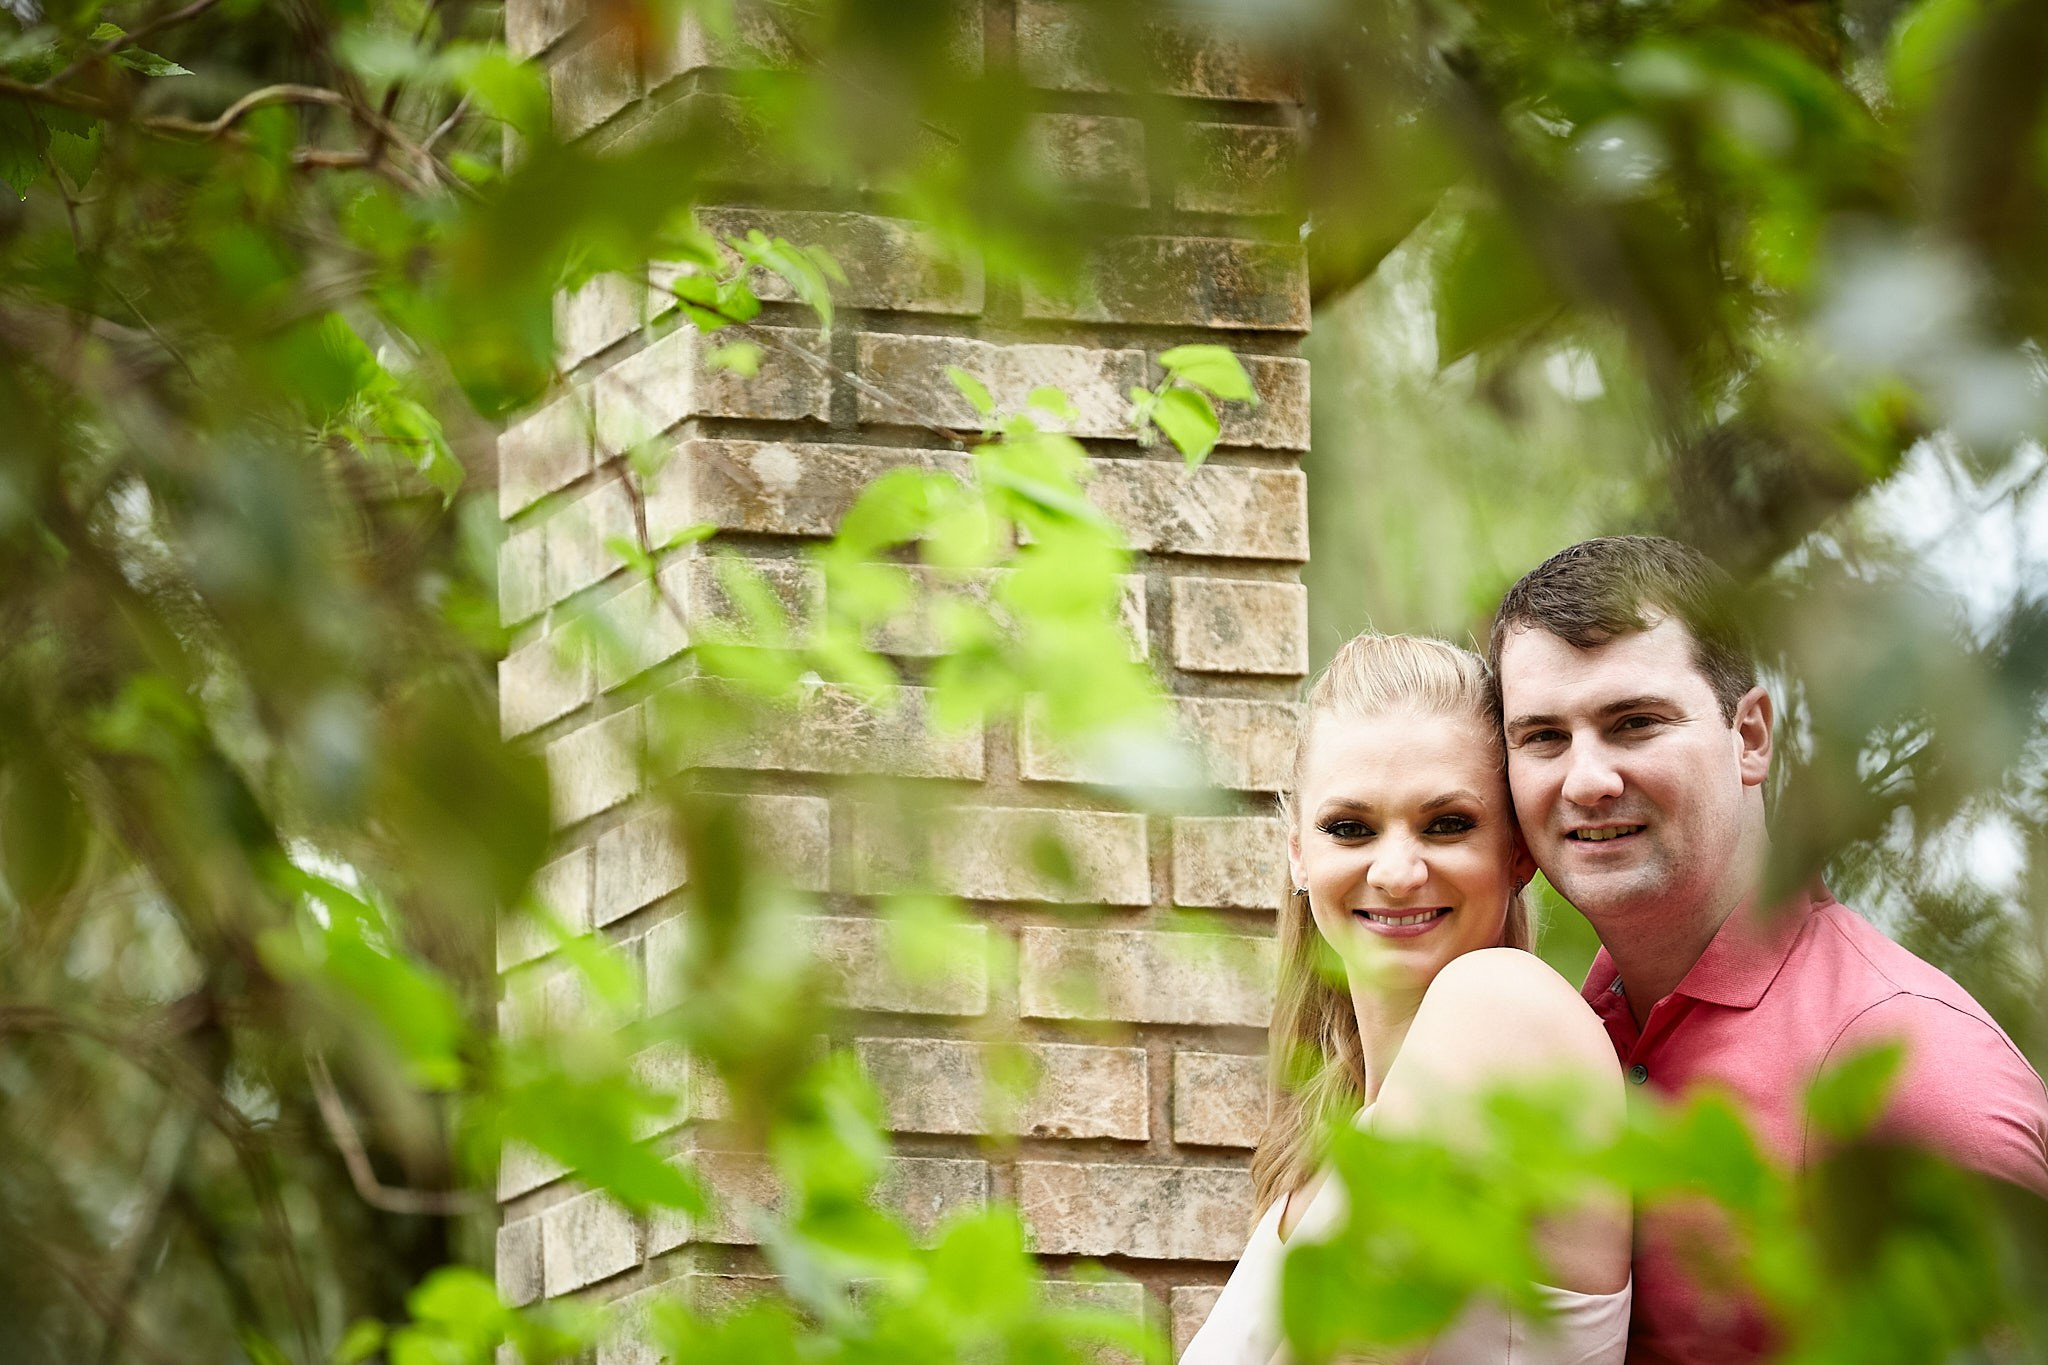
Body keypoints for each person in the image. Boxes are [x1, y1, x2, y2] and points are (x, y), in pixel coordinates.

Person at [1490, 535, 2048, 1363]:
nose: (1586, 780)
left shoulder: (1917, 1074)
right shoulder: (1561, 1037)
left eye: (1634, 722)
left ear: (1750, 735)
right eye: (1542, 737)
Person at [1183, 633, 1633, 1365]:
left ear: (1517, 851)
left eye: (1447, 823)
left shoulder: (1503, 1007)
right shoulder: (1323, 1150)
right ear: (1299, 849)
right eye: (1350, 828)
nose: (1396, 870)